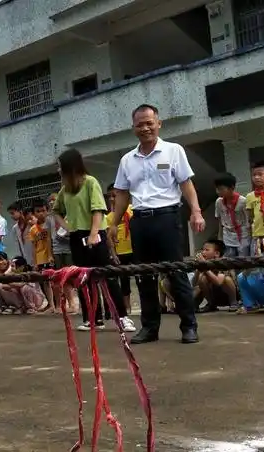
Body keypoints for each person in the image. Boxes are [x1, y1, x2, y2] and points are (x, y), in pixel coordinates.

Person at [109, 103, 204, 344]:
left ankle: (189, 326)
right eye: (140, 124)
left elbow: (186, 184)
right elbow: (121, 194)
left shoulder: (173, 151)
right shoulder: (127, 160)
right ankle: (150, 328)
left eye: (149, 123)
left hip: (168, 218)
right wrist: (114, 224)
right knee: (143, 276)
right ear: (133, 128)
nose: (145, 128)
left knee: (176, 273)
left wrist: (196, 211)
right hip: (139, 222)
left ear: (158, 124)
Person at [54, 148, 135, 333]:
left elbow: (98, 210)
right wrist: (67, 228)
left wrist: (93, 233)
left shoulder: (90, 182)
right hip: (76, 237)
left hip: (95, 234)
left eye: (60, 166)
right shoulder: (65, 189)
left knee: (107, 276)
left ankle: (122, 317)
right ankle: (93, 318)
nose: (58, 170)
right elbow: (56, 211)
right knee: (83, 279)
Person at [106, 183, 138, 315]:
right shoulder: (109, 217)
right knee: (124, 281)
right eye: (110, 197)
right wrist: (113, 254)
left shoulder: (132, 209)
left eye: (115, 195)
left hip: (134, 249)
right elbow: (108, 238)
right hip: (120, 252)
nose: (112, 199)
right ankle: (126, 306)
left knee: (140, 277)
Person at [193, 239, 238, 312]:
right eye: (203, 249)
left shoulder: (223, 263)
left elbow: (218, 282)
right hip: (213, 296)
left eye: (207, 250)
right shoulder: (206, 262)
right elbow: (195, 283)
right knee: (202, 279)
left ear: (216, 253)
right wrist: (198, 268)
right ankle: (211, 304)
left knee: (227, 279)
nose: (203, 252)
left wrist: (205, 266)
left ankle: (234, 303)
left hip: (226, 296)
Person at [213, 173, 251, 257]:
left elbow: (248, 220)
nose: (218, 192)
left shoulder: (243, 201)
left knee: (243, 260)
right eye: (217, 189)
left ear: (232, 188)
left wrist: (249, 237)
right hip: (228, 235)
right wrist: (220, 237)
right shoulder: (219, 202)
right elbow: (220, 220)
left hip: (243, 235)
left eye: (221, 189)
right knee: (229, 259)